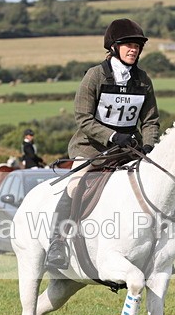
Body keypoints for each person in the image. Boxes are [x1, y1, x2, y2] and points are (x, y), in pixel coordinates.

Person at [45, 18, 160, 270]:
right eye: (128, 45)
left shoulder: (143, 80)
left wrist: (149, 147)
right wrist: (111, 135)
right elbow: (83, 118)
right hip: (91, 148)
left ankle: (156, 249)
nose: (133, 50)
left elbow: (151, 121)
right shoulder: (94, 76)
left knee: (152, 187)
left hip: (129, 150)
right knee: (75, 186)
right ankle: (58, 243)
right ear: (114, 47)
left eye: (137, 46)